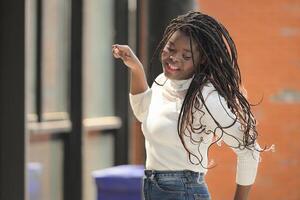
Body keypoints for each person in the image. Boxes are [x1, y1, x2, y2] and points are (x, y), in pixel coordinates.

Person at [112, 11, 265, 200]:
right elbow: (143, 113)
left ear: (201, 60)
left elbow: (249, 150)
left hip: (184, 191)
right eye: (171, 48)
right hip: (153, 188)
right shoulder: (162, 82)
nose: (174, 58)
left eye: (186, 56)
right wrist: (136, 69)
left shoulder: (205, 98)